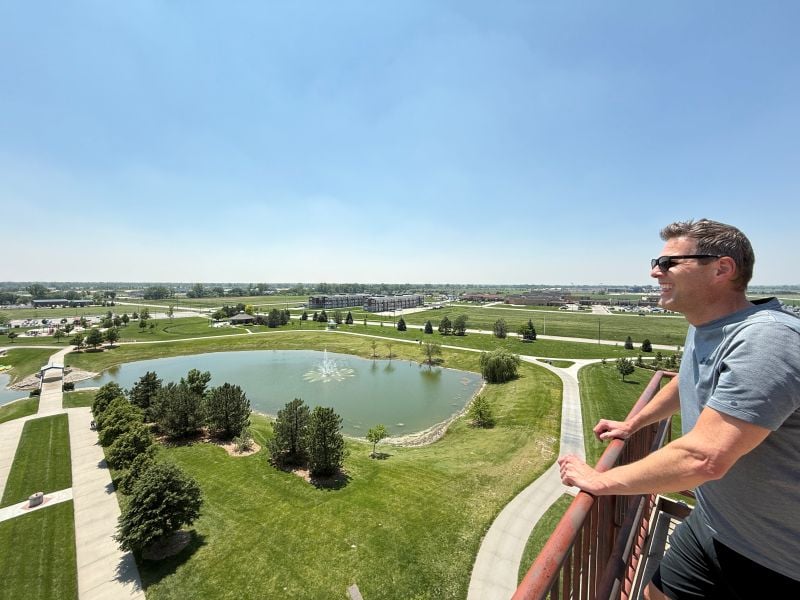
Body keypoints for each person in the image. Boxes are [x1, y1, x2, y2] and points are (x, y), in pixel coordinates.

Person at [558, 219, 800, 599]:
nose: (655, 271)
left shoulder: (767, 340)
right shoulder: (706, 326)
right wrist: (632, 424)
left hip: (776, 558)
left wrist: (599, 481)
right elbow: (685, 379)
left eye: (669, 263)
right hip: (713, 522)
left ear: (722, 268)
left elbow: (704, 459)